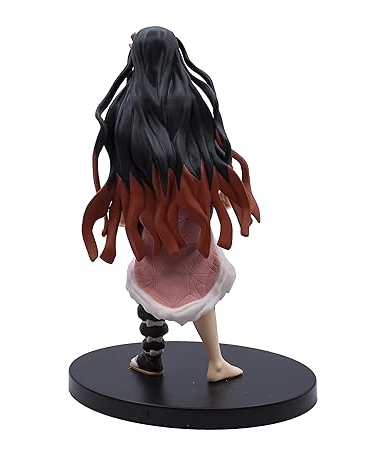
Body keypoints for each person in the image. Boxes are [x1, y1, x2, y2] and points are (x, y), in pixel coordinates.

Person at [82, 26, 260, 382]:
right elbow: (210, 150)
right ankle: (212, 361)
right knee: (186, 277)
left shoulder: (128, 111)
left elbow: (122, 168)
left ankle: (153, 355)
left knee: (153, 276)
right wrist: (215, 189)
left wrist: (124, 210)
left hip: (152, 214)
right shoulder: (188, 101)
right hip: (186, 213)